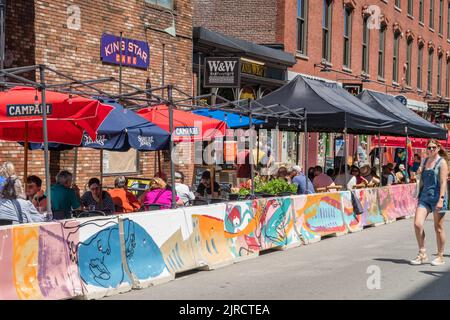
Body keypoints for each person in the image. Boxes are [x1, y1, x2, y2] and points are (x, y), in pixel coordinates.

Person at [411, 139, 449, 266]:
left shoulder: (442, 162)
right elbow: (419, 173)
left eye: (433, 147)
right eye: (429, 147)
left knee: (438, 228)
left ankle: (440, 255)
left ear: (438, 148)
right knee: (417, 224)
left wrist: (441, 199)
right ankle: (422, 253)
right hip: (424, 197)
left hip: (438, 197)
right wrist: (418, 171)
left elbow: (443, 182)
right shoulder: (425, 160)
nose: (431, 149)